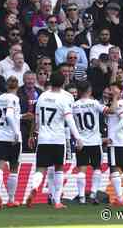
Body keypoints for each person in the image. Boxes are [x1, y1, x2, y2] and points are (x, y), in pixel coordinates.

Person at [26, 73, 83, 209]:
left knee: (41, 168)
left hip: (44, 138)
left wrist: (34, 134)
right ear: (63, 84)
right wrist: (78, 137)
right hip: (58, 138)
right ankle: (57, 201)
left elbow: (37, 118)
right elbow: (69, 120)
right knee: (58, 169)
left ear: (50, 82)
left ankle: (34, 187)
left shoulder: (42, 96)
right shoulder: (63, 99)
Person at [72, 81, 117, 204]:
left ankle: (81, 197)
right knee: (97, 168)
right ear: (89, 91)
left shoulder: (74, 106)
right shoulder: (95, 103)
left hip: (81, 142)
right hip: (95, 142)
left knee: (82, 169)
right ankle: (93, 193)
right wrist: (116, 97)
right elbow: (112, 111)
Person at [0, 76, 22, 208]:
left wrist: (21, 116)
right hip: (12, 137)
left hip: (0, 135)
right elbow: (9, 115)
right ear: (17, 86)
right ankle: (11, 199)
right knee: (14, 167)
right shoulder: (14, 98)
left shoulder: (0, 97)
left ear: (5, 86)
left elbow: (5, 115)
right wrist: (16, 132)